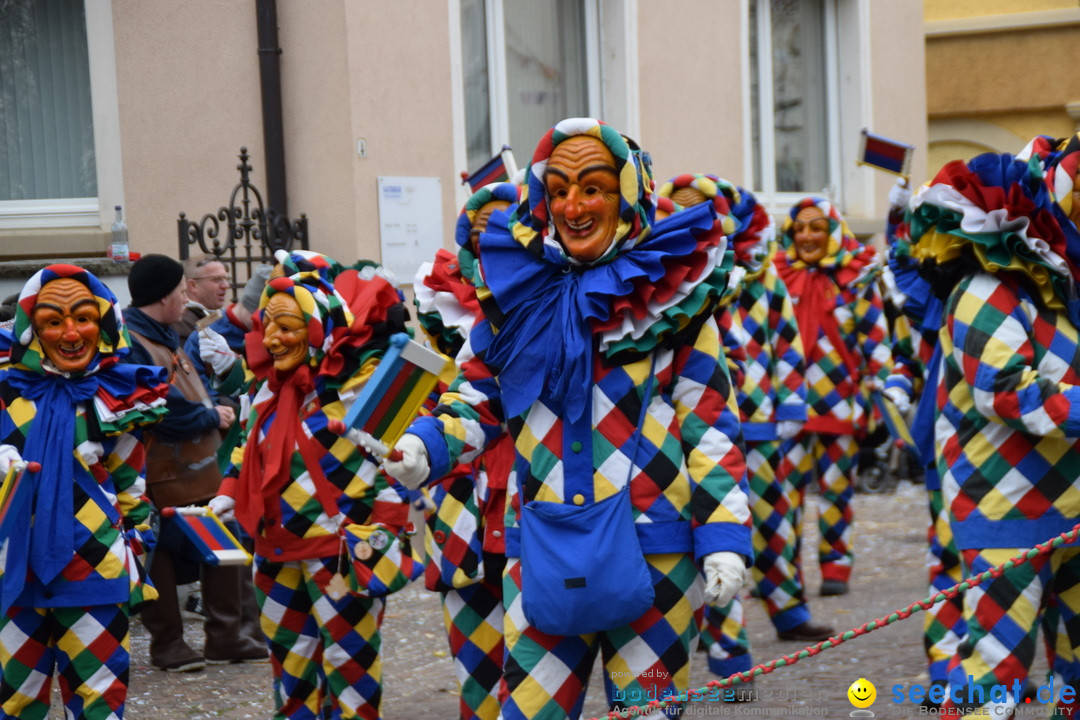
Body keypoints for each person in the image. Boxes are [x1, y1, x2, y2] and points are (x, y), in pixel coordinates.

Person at [383, 118, 752, 719]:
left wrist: (724, 539)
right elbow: (474, 400)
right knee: (530, 711)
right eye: (557, 190)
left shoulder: (676, 300)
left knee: (649, 712)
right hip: (544, 549)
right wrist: (424, 448)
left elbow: (710, 429)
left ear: (628, 193)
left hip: (654, 547)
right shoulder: (511, 305)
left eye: (593, 187)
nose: (573, 206)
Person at [906, 134, 1080, 717]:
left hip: (1075, 509)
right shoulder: (987, 289)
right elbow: (1005, 391)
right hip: (1006, 512)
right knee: (993, 674)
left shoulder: (1066, 297)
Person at [208, 262, 415, 720]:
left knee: (350, 662)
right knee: (290, 664)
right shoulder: (263, 390)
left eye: (288, 326)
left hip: (339, 553)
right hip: (274, 550)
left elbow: (394, 466)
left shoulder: (361, 384)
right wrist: (227, 493)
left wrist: (385, 529)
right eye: (269, 327)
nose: (275, 338)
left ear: (318, 327)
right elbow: (246, 448)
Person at [0, 264, 169, 719]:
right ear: (32, 330)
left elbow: (132, 488)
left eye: (84, 317)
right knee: (12, 703)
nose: (71, 333)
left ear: (105, 321)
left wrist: (135, 556)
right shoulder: (4, 393)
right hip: (12, 574)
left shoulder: (119, 395)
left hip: (94, 569)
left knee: (98, 702)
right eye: (54, 321)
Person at [122, 253, 267, 672]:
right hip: (160, 470)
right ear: (164, 295)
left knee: (222, 537)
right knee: (161, 556)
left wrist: (219, 405)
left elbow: (194, 387)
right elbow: (153, 406)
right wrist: (208, 416)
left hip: (196, 465)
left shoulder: (165, 334)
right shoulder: (135, 340)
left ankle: (228, 637)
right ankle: (169, 644)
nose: (186, 299)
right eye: (181, 291)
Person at [413, 181, 520, 720]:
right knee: (477, 679)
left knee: (541, 676)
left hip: (537, 515)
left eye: (506, 227)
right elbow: (416, 406)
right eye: (480, 233)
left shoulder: (567, 308)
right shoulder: (440, 322)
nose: (492, 242)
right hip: (461, 514)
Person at [773, 197, 898, 597]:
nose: (807, 236)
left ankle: (835, 568)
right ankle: (781, 574)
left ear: (833, 232)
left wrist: (886, 386)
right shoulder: (777, 277)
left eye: (817, 227)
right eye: (800, 228)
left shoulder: (857, 276)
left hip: (840, 401)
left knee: (836, 490)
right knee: (782, 492)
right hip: (787, 402)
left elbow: (876, 337)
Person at [173, 255, 231, 342]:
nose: (226, 285)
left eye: (226, 279)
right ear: (193, 285)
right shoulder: (181, 322)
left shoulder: (222, 316)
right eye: (216, 279)